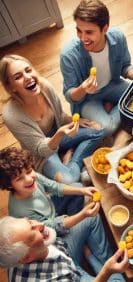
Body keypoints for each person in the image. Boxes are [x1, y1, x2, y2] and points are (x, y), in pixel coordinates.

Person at [0, 54, 105, 184]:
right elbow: (40, 149)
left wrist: (76, 121)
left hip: (59, 135)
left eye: (28, 70)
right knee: (69, 179)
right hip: (42, 154)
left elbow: (60, 116)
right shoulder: (11, 116)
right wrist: (60, 134)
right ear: (11, 87)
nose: (28, 77)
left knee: (99, 130)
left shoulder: (45, 87)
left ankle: (71, 162)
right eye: (18, 77)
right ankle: (71, 166)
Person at [0, 214, 129, 282]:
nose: (40, 225)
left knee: (92, 218)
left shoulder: (17, 247)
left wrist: (83, 213)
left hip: (64, 254)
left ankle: (92, 260)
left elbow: (51, 225)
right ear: (26, 259)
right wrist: (106, 271)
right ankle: (100, 264)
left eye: (29, 221)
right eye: (32, 235)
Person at [60, 0, 133, 136]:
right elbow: (69, 95)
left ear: (105, 28)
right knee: (107, 128)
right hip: (87, 99)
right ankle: (113, 109)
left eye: (89, 32)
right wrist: (83, 89)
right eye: (79, 30)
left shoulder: (118, 38)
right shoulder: (68, 55)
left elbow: (125, 66)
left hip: (112, 85)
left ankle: (110, 108)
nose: (83, 38)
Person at [0, 147, 102, 220]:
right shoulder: (21, 212)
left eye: (29, 171)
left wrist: (82, 190)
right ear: (9, 185)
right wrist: (82, 216)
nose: (29, 179)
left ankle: (74, 224)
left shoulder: (33, 176)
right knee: (93, 220)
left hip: (51, 209)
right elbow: (52, 228)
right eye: (19, 179)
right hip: (49, 232)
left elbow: (54, 186)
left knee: (78, 187)